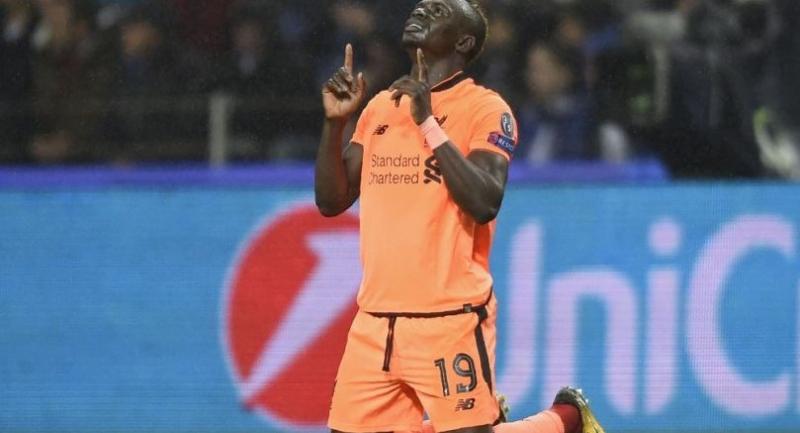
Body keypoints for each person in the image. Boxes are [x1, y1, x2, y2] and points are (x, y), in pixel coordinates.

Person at [315, 1, 607, 433]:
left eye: (437, 11)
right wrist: (335, 124)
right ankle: (544, 418)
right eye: (422, 6)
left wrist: (429, 123)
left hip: (449, 316)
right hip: (376, 318)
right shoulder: (380, 107)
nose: (421, 10)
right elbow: (331, 201)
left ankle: (565, 421)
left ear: (464, 41)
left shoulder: (485, 108)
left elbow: (485, 200)